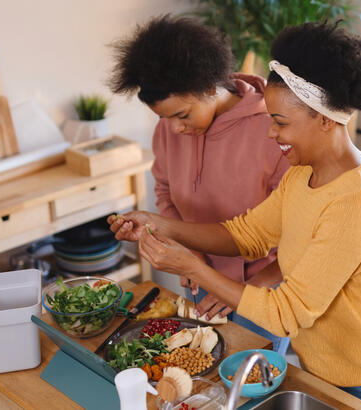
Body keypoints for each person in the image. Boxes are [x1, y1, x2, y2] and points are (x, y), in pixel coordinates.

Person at [111, 21, 361, 409]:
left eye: (280, 122)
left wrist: (195, 269)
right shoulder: (303, 175)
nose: (270, 134)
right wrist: (159, 223)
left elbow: (285, 313)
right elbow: (245, 234)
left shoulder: (357, 205)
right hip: (327, 370)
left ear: (326, 118)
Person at [108, 16, 290, 353]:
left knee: (249, 387)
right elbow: (165, 192)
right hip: (200, 278)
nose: (173, 129)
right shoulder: (169, 130)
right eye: (164, 118)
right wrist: (191, 256)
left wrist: (245, 291)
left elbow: (298, 241)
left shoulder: (274, 131)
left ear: (210, 87)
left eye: (182, 115)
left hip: (262, 289)